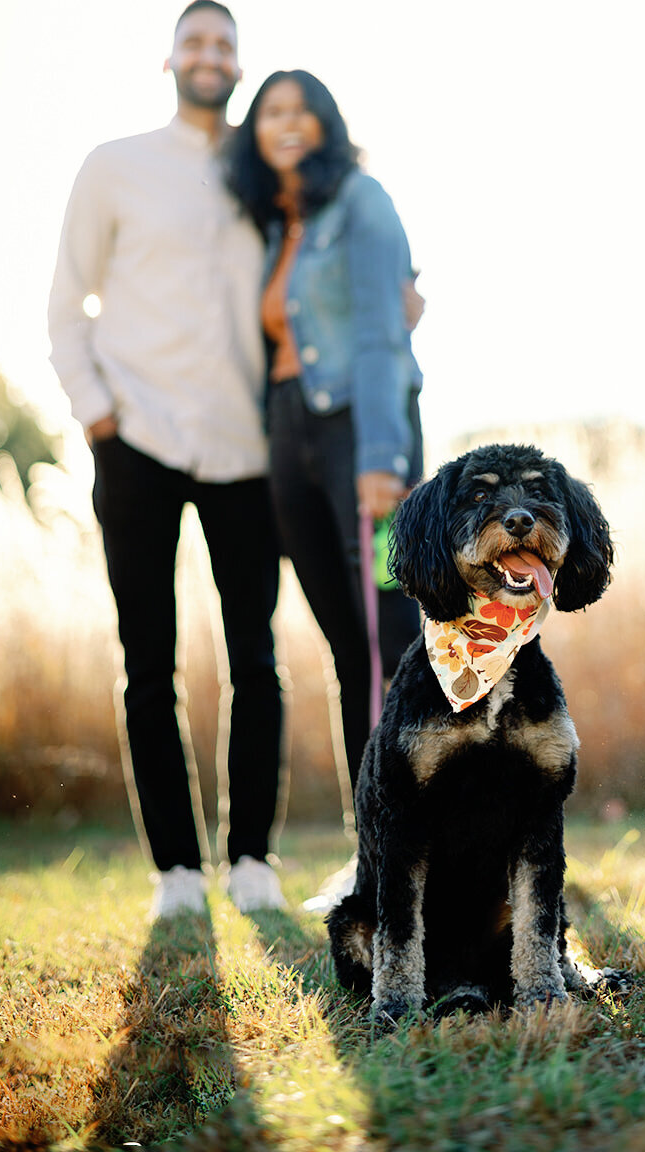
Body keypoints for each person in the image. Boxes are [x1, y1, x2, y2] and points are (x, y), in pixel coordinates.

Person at [47, 0, 286, 919]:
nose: (209, 55)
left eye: (224, 44)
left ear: (238, 64)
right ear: (169, 60)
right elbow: (67, 305)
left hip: (245, 448)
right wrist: (97, 415)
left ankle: (252, 859)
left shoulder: (263, 173)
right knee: (147, 659)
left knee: (254, 655)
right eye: (195, 41)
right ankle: (177, 872)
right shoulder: (114, 168)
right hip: (136, 440)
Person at [225, 69, 424, 824]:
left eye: (301, 112)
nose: (286, 124)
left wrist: (381, 458)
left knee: (391, 644)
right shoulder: (277, 227)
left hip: (356, 434)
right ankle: (373, 843)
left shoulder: (361, 203)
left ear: (325, 125)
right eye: (271, 111)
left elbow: (380, 332)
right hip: (287, 437)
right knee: (348, 649)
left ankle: (421, 846)